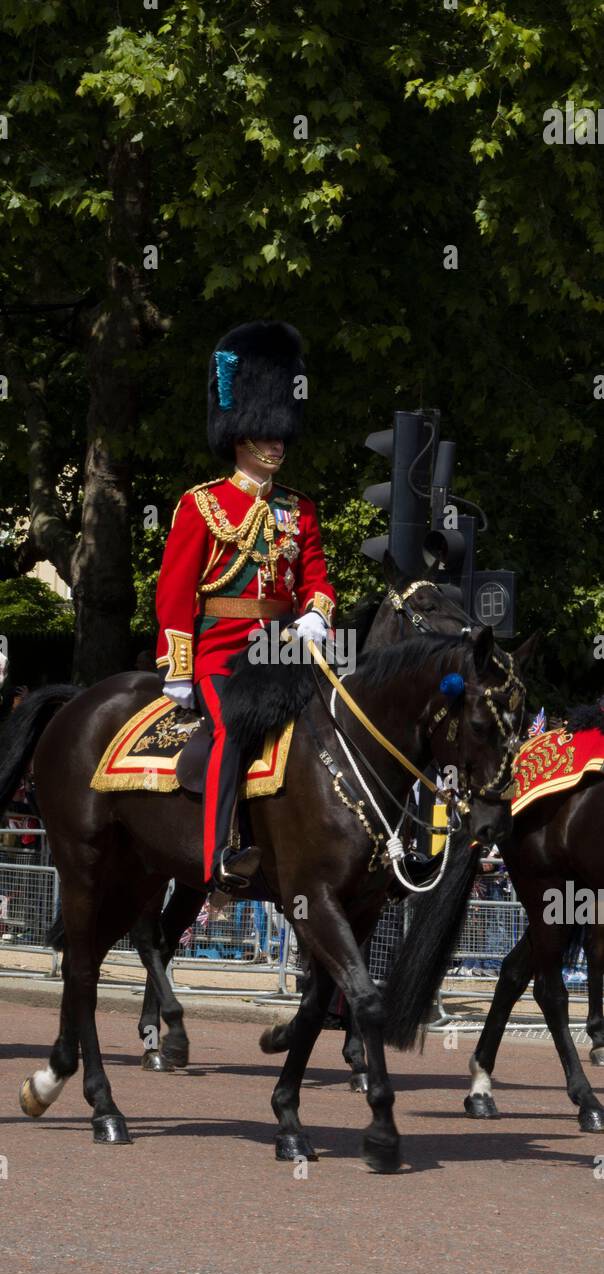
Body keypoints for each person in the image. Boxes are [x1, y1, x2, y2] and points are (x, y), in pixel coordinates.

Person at [155, 320, 336, 891]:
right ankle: (221, 856)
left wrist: (314, 613)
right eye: (266, 432)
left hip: (281, 651)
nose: (278, 442)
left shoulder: (300, 510)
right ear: (241, 435)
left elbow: (319, 581)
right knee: (233, 729)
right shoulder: (201, 505)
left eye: (281, 432)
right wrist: (178, 666)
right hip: (218, 654)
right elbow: (176, 592)